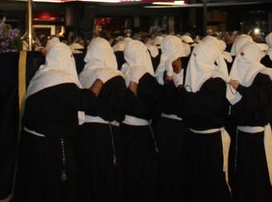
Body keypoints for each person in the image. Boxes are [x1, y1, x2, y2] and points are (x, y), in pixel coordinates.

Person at [13, 43, 103, 202]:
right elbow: (86, 102)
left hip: (33, 145)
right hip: (51, 147)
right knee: (57, 188)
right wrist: (99, 82)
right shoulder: (60, 81)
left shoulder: (41, 76)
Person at [77, 37, 134, 202]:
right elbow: (124, 106)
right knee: (108, 179)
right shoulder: (113, 76)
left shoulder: (83, 74)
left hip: (84, 133)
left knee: (88, 178)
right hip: (106, 134)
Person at [226, 41, 272, 202]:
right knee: (244, 176)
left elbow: (259, 101)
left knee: (259, 176)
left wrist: (240, 89)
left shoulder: (263, 76)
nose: (241, 60)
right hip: (242, 135)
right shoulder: (239, 76)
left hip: (258, 136)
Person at [179, 40, 232, 202]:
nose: (194, 59)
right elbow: (184, 107)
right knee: (194, 182)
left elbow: (199, 109)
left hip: (212, 139)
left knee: (213, 182)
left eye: (197, 56)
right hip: (195, 137)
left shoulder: (216, 80)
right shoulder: (196, 78)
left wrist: (182, 91)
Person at [120, 39, 161, 202]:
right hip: (141, 133)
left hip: (123, 129)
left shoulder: (122, 71)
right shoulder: (145, 77)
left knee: (127, 172)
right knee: (143, 175)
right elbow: (157, 103)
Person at [153, 35, 185, 202]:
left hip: (164, 124)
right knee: (174, 167)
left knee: (166, 166)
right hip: (176, 126)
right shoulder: (170, 71)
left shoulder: (159, 69)